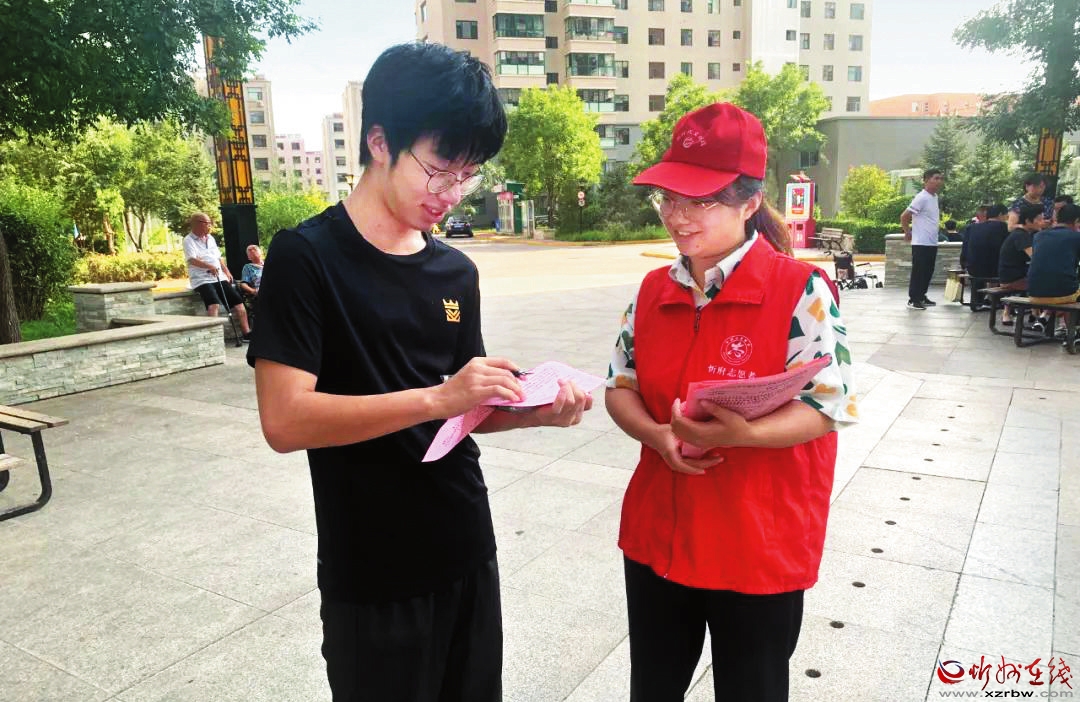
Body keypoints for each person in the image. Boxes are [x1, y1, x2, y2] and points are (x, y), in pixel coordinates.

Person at [246, 42, 592, 702]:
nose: (452, 194)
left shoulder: (454, 271)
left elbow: (464, 412)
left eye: (468, 176)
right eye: (439, 170)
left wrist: (535, 412)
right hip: (373, 568)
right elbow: (284, 421)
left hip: (465, 542)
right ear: (380, 141)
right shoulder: (307, 257)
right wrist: (437, 397)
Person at [605, 102, 857, 702]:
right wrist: (657, 436)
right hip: (660, 534)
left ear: (749, 203)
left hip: (755, 543)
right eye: (669, 198)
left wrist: (742, 435)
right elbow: (620, 386)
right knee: (654, 686)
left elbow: (826, 406)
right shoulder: (653, 289)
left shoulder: (801, 290)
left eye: (700, 201)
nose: (677, 216)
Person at [182, 212, 252, 342]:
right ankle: (213, 337)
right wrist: (209, 266)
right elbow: (192, 260)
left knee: (239, 303)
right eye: (207, 223)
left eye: (210, 223)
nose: (210, 226)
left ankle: (247, 333)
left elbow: (218, 258)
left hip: (219, 276)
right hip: (202, 279)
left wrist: (227, 271)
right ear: (197, 224)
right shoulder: (188, 240)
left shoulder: (211, 238)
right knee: (213, 304)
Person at [1026, 204, 1080, 336]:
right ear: (1076, 221)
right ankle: (1073, 333)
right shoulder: (1076, 237)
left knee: (1062, 285)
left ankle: (1050, 320)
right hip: (1062, 293)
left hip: (1033, 293)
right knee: (1070, 290)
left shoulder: (1039, 236)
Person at [900, 169, 944, 310]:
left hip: (931, 242)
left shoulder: (934, 197)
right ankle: (914, 300)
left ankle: (922, 296)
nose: (939, 181)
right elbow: (904, 216)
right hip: (921, 242)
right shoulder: (922, 197)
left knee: (928, 271)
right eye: (936, 178)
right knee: (919, 272)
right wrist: (907, 232)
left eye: (940, 178)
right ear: (926, 180)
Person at [997, 203, 1046, 325]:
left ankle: (1035, 313)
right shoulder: (1021, 235)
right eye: (1039, 219)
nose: (1043, 222)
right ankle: (1040, 315)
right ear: (1028, 221)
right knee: (1048, 284)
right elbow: (1035, 257)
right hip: (1012, 278)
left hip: (1013, 275)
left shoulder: (1022, 234)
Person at [960, 203, 1009, 286]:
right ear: (1000, 214)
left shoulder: (971, 228)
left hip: (973, 270)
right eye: (1006, 216)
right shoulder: (1004, 227)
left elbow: (965, 250)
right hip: (995, 271)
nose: (1007, 218)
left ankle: (976, 293)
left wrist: (964, 265)